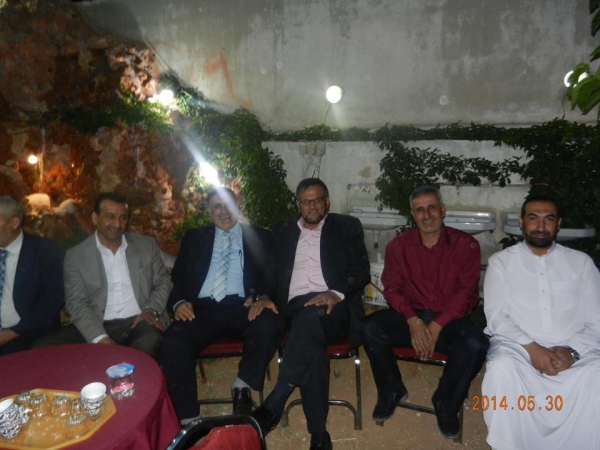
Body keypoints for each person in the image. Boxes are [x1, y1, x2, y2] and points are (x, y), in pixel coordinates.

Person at [360, 185, 489, 439]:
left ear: (443, 210)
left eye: (432, 207)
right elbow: (393, 288)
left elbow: (464, 293)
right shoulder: (398, 246)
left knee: (476, 344)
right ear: (413, 214)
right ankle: (392, 390)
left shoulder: (466, 245)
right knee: (369, 328)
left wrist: (437, 325)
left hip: (450, 320)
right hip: (410, 316)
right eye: (420, 210)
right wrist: (413, 321)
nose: (426, 215)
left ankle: (446, 403)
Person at [250, 178, 370, 450]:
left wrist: (334, 293)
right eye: (306, 201)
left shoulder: (346, 227)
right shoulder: (282, 231)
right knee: (311, 346)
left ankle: (277, 399)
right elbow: (269, 272)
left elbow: (360, 270)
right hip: (294, 309)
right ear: (298, 205)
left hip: (334, 308)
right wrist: (264, 295)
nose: (312, 206)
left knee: (310, 321)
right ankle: (318, 434)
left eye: (317, 200)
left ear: (327, 202)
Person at [482, 194, 600, 450]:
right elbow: (497, 317)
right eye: (533, 218)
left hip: (573, 348)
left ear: (558, 224)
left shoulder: (581, 263)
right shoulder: (501, 262)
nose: (541, 226)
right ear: (521, 222)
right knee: (501, 369)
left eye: (549, 219)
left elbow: (597, 320)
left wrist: (571, 352)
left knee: (596, 373)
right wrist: (533, 349)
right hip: (518, 348)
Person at [161, 187, 280, 423]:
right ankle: (188, 419)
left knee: (270, 321)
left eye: (228, 205)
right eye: (217, 206)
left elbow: (272, 275)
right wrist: (179, 302)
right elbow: (178, 277)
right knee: (174, 340)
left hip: (242, 306)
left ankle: (242, 386)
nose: (224, 211)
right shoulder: (194, 238)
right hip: (201, 310)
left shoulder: (260, 237)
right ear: (209, 211)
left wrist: (262, 296)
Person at [34, 192, 172, 363]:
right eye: (110, 216)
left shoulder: (146, 246)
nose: (117, 224)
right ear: (95, 218)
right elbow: (77, 302)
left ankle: (132, 378)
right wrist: (101, 338)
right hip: (97, 321)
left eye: (123, 218)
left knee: (149, 341)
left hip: (138, 321)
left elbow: (163, 281)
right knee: (43, 346)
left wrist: (150, 310)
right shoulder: (76, 256)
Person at [0, 196, 64, 356]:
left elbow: (51, 301)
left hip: (26, 335)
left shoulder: (45, 252)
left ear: (14, 222)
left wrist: (11, 333)